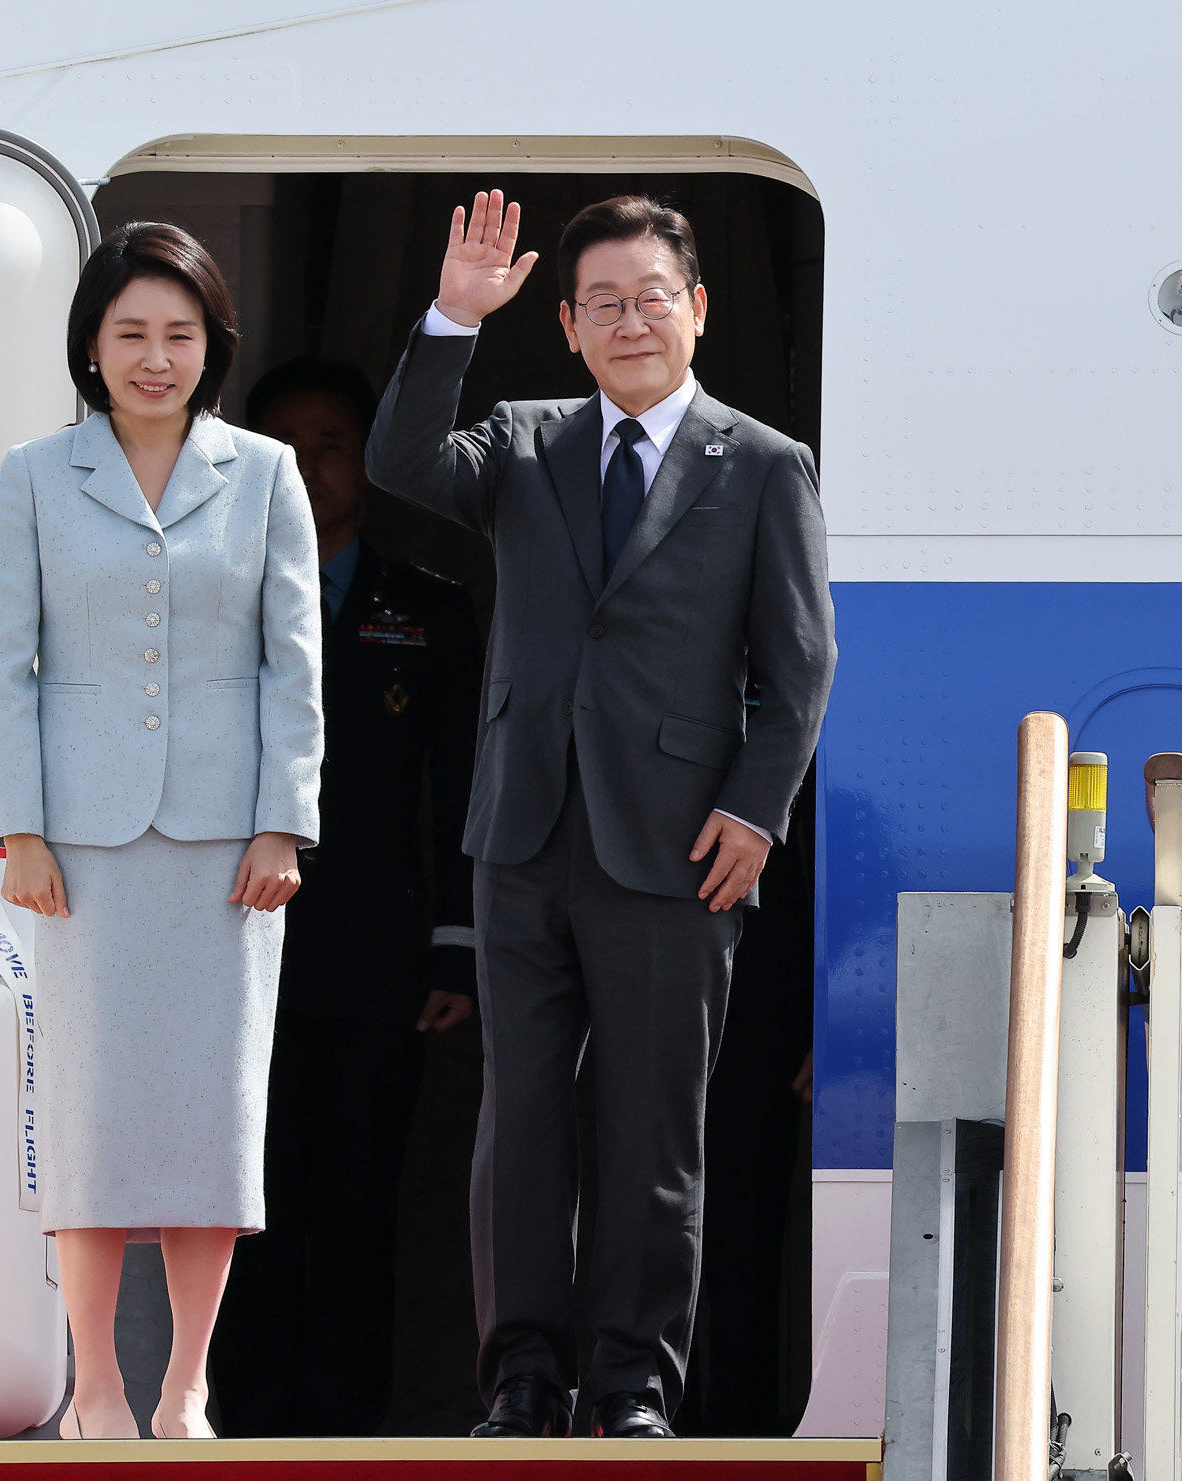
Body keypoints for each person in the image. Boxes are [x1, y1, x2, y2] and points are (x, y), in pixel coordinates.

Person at [363, 192, 836, 1439]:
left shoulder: (763, 464)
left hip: (679, 845)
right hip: (520, 834)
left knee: (651, 1130)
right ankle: (520, 1377)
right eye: (603, 303)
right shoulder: (522, 440)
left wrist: (756, 813)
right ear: (566, 326)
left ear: (697, 310)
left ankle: (632, 1384)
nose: (631, 319)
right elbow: (399, 464)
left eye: (653, 295)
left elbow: (798, 673)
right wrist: (452, 321)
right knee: (515, 1123)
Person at [0, 222, 324, 1441]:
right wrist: (19, 826)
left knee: (209, 1114)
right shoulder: (31, 473)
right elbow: (1, 668)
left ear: (211, 342)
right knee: (92, 1108)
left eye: (178, 334)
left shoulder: (267, 473)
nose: (155, 356)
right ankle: (98, 1386)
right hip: (81, 844)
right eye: (130, 333)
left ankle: (184, 1384)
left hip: (228, 845)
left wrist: (284, 819)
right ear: (90, 345)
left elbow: (295, 666)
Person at [211, 359, 483, 1436]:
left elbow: (465, 785)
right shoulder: (203, 596)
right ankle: (242, 1424)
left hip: (377, 962)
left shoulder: (428, 608)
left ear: (366, 461)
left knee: (359, 1210)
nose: (310, 464)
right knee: (241, 1207)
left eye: (331, 441)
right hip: (228, 954)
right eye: (287, 442)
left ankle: (345, 1429)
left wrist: (456, 944)